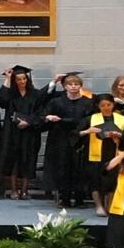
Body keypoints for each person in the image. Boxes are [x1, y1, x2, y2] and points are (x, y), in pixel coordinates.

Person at [0, 65, 45, 200]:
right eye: (18, 79)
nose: (22, 82)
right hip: (12, 132)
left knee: (28, 160)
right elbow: (1, 100)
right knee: (14, 161)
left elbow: (40, 113)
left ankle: (25, 190)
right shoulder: (10, 94)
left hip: (30, 132)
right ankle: (14, 190)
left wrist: (29, 122)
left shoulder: (36, 94)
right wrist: (8, 79)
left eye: (24, 79)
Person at [42, 73, 94, 208]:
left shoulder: (87, 102)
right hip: (60, 139)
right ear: (65, 87)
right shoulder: (56, 102)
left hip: (80, 138)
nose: (73, 87)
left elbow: (86, 120)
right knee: (62, 168)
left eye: (76, 84)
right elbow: (44, 116)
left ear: (80, 86)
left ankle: (79, 198)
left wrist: (63, 120)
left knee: (79, 168)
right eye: (70, 84)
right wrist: (48, 118)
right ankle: (64, 198)